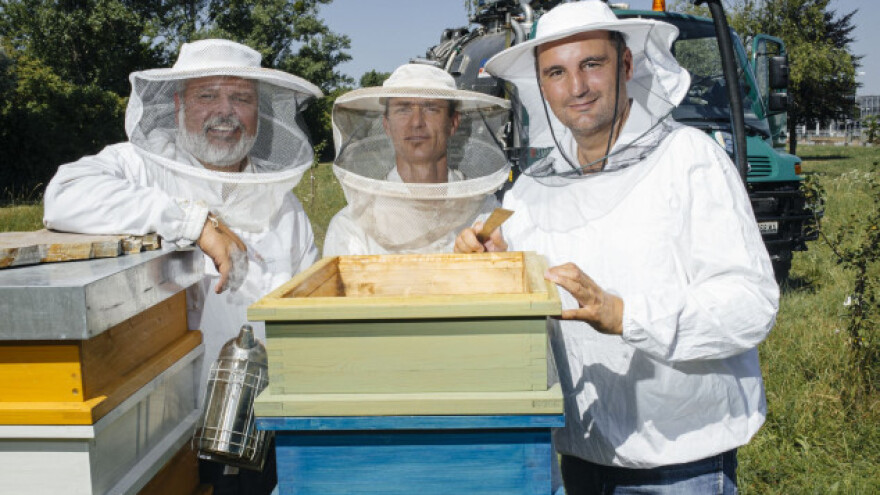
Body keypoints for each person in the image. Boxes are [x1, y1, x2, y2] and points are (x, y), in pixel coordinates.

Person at [455, 2, 779, 493]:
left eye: (592, 64)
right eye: (557, 73)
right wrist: (487, 262)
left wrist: (625, 315)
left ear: (625, 65)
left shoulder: (690, 160)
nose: (577, 88)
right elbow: (507, 280)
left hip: (680, 462)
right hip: (580, 456)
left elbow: (750, 304)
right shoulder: (529, 190)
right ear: (541, 87)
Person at [43, 39, 323, 494]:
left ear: (260, 110)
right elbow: (64, 195)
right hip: (161, 437)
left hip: (257, 434)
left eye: (242, 98)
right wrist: (194, 222)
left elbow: (305, 322)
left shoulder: (285, 209)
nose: (225, 111)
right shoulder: (139, 167)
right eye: (207, 96)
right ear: (178, 105)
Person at [323, 63, 511, 256]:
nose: (417, 122)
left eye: (431, 108)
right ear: (387, 125)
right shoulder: (352, 227)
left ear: (453, 123)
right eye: (403, 109)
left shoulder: (488, 214)